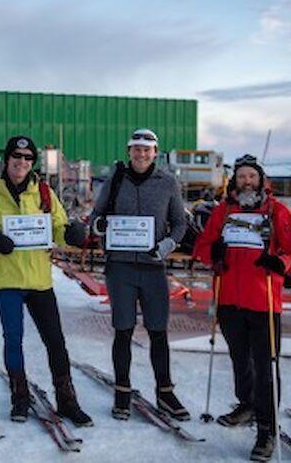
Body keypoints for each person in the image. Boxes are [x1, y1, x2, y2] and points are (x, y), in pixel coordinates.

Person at [0, 135, 93, 427]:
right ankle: (20, 397)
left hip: (38, 280)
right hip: (6, 280)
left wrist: (70, 235)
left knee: (55, 341)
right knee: (13, 339)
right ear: (7, 160)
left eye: (28, 158)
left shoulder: (44, 192)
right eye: (16, 157)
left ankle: (67, 400)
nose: (22, 162)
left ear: (32, 163)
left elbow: (58, 226)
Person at [193, 154, 291, 462]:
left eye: (251, 176)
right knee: (239, 359)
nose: (246, 181)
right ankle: (246, 405)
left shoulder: (277, 212)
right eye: (241, 176)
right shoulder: (223, 211)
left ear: (261, 181)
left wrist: (279, 262)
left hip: (263, 302)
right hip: (230, 299)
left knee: (266, 367)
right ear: (234, 181)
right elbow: (202, 248)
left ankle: (267, 430)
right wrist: (213, 252)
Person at [91, 128, 189, 421]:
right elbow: (96, 217)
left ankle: (165, 392)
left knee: (158, 331)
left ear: (155, 153)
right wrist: (102, 227)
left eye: (147, 150)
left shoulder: (168, 183)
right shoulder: (115, 180)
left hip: (153, 267)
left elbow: (180, 224)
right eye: (137, 149)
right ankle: (122, 393)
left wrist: (167, 245)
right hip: (120, 267)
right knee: (123, 330)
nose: (142, 154)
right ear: (129, 150)